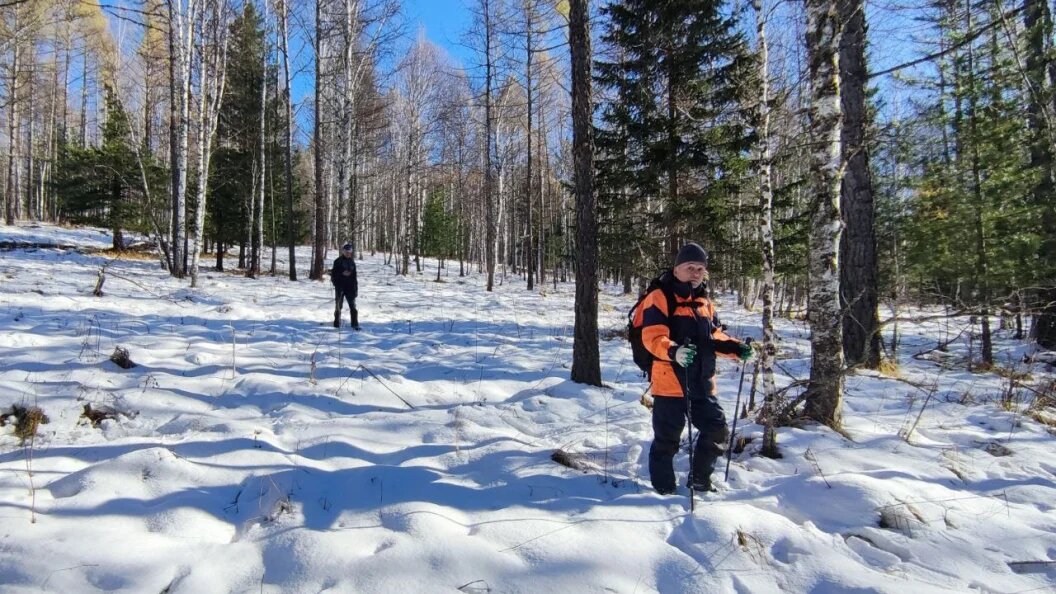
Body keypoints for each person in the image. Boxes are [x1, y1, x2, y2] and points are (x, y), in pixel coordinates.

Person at [639, 242, 753, 495]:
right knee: (666, 440)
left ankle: (700, 480)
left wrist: (736, 348)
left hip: (702, 381)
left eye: (700, 268)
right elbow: (652, 336)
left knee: (716, 429)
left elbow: (714, 336)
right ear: (677, 269)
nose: (695, 273)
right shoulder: (659, 297)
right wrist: (673, 351)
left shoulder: (704, 302)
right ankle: (663, 489)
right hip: (670, 383)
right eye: (690, 267)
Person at [331, 242, 360, 330]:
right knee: (338, 306)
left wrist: (355, 289)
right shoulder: (337, 261)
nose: (348, 253)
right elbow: (333, 274)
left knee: (353, 306)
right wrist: (341, 273)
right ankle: (337, 322)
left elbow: (354, 276)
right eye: (346, 251)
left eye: (350, 252)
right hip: (340, 287)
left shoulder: (352, 262)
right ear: (343, 251)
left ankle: (354, 323)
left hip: (350, 287)